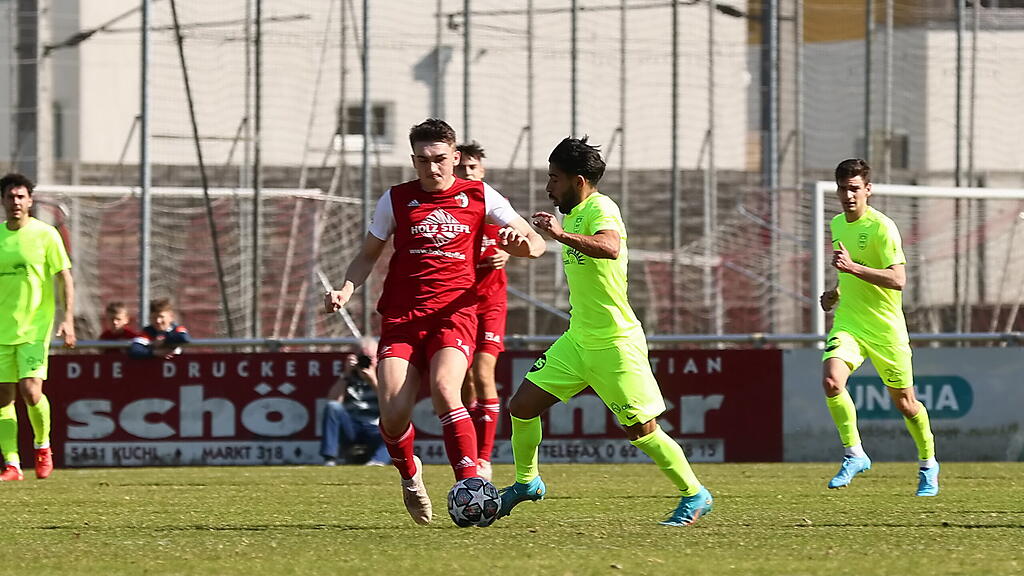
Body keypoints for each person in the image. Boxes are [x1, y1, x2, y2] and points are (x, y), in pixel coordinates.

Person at [324, 118, 545, 525]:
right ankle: (410, 476)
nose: (433, 168)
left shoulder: (479, 194)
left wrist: (523, 247)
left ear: (455, 157)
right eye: (423, 160)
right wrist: (345, 289)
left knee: (447, 389)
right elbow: (367, 254)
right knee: (392, 414)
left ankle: (469, 485)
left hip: (454, 315)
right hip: (402, 318)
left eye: (441, 159)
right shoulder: (395, 199)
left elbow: (535, 241)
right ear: (413, 160)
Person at [494, 137, 713, 526]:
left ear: (578, 181)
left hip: (615, 342)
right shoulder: (575, 211)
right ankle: (527, 483)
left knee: (641, 430)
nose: (548, 187)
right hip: (578, 339)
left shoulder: (601, 207)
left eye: (553, 179)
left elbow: (610, 248)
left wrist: (559, 235)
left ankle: (695, 494)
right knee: (521, 408)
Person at [818, 158, 939, 496]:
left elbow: (898, 280)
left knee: (906, 404)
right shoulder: (837, 224)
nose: (848, 195)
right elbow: (847, 273)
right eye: (843, 189)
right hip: (850, 322)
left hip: (886, 329)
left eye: (854, 188)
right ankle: (854, 453)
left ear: (868, 189)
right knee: (831, 381)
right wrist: (834, 293)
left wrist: (853, 269)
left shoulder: (883, 228)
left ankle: (929, 463)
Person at [0, 172, 76, 482]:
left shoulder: (46, 235)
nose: (15, 201)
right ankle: (12, 464)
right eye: (10, 196)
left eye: (21, 196)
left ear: (30, 201)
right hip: (1, 330)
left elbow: (64, 277)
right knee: (3, 398)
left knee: (31, 392)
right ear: (3, 201)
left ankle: (43, 447)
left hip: (34, 328)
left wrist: (67, 319)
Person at [454, 141, 508, 482]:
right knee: (465, 379)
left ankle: (484, 460)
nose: (468, 173)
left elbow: (522, 239)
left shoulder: (493, 205)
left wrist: (510, 254)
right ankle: (469, 454)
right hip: (459, 303)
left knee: (484, 372)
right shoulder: (453, 211)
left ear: (483, 172)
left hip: (490, 303)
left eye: (474, 168)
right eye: (463, 168)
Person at [321, 338, 389, 466]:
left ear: (378, 357)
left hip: (375, 427)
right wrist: (346, 374)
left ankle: (377, 462)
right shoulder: (348, 376)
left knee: (397, 424)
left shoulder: (383, 374)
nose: (365, 361)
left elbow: (390, 403)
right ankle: (329, 459)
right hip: (351, 426)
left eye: (370, 357)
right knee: (332, 407)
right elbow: (332, 401)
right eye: (361, 357)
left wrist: (372, 379)